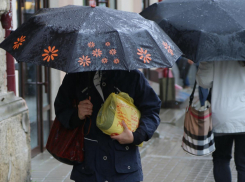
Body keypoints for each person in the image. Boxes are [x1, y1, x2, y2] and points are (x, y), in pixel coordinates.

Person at [54, 70, 161, 182]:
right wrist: (77, 114)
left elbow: (152, 110)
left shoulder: (133, 75)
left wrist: (136, 136)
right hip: (88, 168)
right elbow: (61, 107)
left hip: (124, 167)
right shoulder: (76, 75)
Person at [196, 61, 245, 182]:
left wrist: (204, 62)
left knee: (221, 159)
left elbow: (204, 82)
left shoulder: (215, 54)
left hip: (222, 114)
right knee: (243, 163)